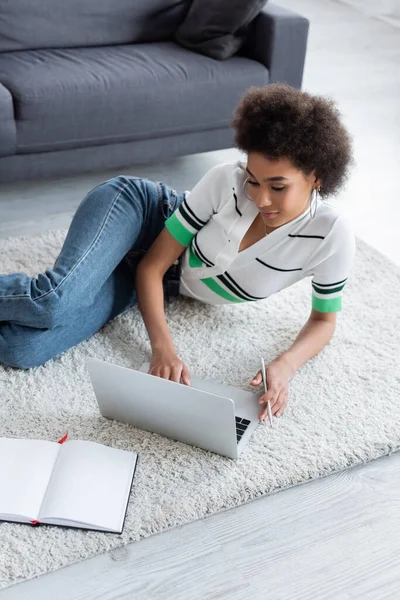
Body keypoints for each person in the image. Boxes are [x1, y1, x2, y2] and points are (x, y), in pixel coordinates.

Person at [0, 83, 355, 421]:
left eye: (278, 186)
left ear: (317, 176)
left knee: (22, 350)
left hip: (160, 281)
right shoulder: (224, 181)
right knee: (53, 302)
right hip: (138, 215)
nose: (261, 199)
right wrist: (163, 347)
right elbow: (152, 266)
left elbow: (324, 321)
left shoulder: (330, 237)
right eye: (253, 180)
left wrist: (285, 365)